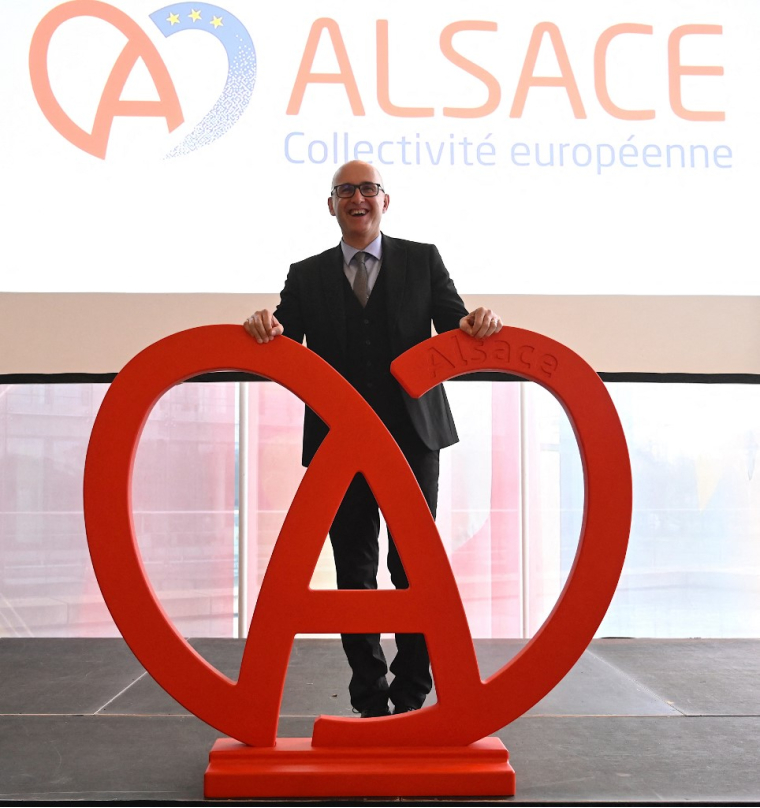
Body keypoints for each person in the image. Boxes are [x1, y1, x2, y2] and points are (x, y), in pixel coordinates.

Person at [244, 160, 502, 718]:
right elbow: (281, 336)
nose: (356, 199)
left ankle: (413, 695)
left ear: (386, 200)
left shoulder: (422, 259)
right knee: (353, 570)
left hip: (413, 436)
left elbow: (457, 325)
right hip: (339, 444)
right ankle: (370, 700)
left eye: (366, 189)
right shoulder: (306, 274)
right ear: (330, 205)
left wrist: (480, 319)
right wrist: (264, 324)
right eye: (345, 191)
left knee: (413, 567)